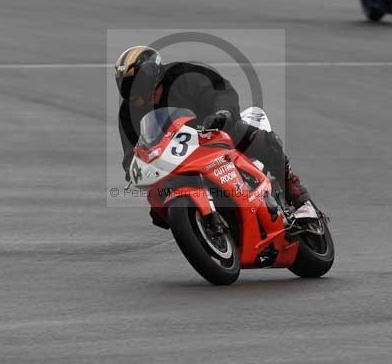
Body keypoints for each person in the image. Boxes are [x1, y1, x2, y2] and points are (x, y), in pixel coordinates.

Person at [114, 45, 311, 227]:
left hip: (213, 133)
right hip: (176, 159)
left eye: (141, 94)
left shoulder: (183, 75)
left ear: (154, 79)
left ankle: (296, 193)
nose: (139, 102)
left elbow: (221, 90)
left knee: (253, 138)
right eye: (133, 97)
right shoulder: (128, 112)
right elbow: (131, 154)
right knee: (159, 214)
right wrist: (136, 170)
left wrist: (222, 113)